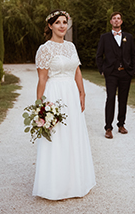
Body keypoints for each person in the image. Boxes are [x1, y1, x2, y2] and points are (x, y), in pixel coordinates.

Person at [33, 10, 96, 200]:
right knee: (57, 136)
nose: (62, 25)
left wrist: (82, 92)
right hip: (55, 95)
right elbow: (42, 79)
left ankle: (75, 182)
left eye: (64, 22)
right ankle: (55, 186)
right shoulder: (45, 49)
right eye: (58, 22)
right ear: (50, 26)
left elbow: (77, 70)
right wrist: (40, 106)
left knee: (73, 135)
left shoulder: (71, 47)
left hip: (71, 95)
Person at [96, 12, 135, 139]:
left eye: (118, 18)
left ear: (121, 21)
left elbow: (133, 55)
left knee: (123, 99)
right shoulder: (104, 37)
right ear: (110, 22)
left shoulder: (128, 37)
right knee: (110, 99)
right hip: (111, 73)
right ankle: (108, 127)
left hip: (125, 73)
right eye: (114, 19)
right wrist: (102, 70)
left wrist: (132, 71)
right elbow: (99, 55)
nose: (116, 21)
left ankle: (121, 125)